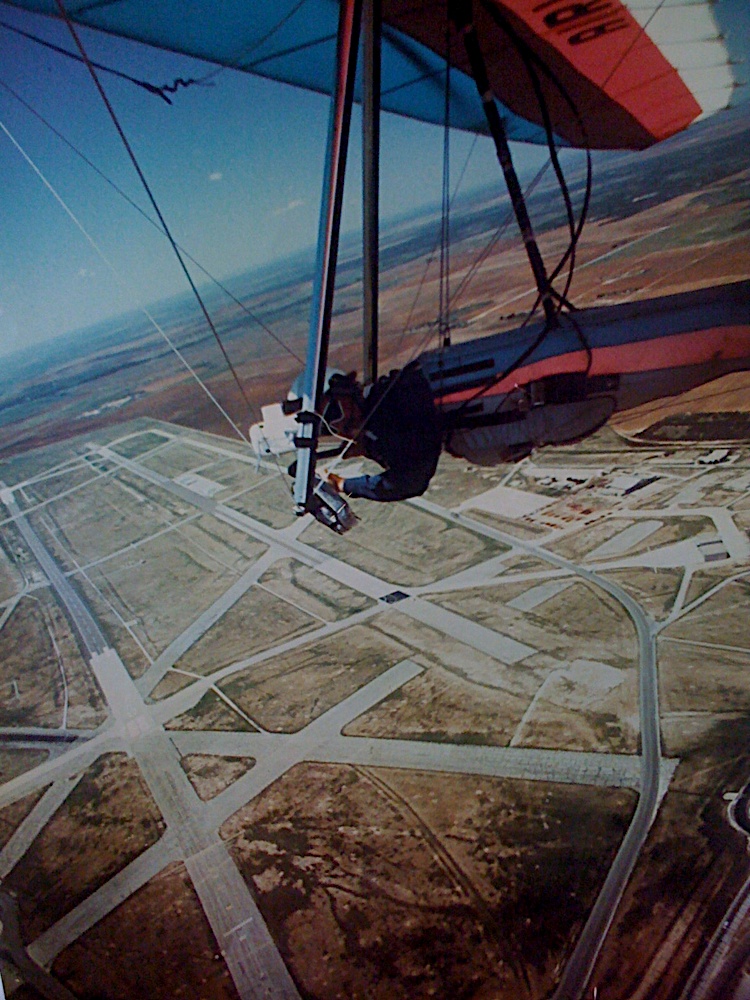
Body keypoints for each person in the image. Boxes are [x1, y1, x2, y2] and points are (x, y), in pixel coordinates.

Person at [322, 361, 442, 502]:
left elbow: (410, 480)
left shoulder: (394, 399)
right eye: (327, 427)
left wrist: (344, 485)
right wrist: (369, 447)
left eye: (334, 413)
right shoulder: (382, 406)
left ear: (345, 391)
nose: (338, 426)